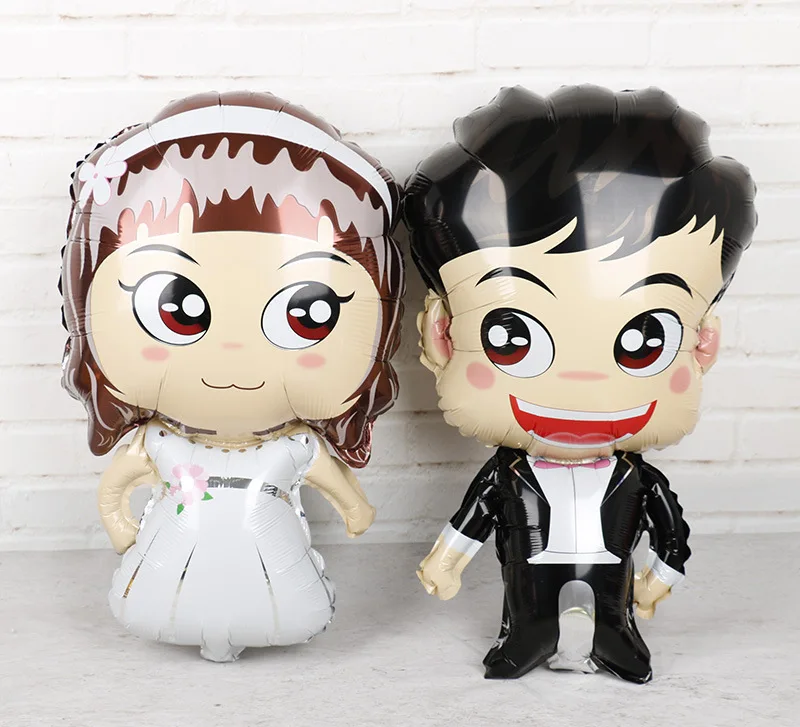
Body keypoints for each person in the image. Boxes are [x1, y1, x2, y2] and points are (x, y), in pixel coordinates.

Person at [404, 85, 756, 683]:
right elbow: (475, 516)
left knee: (615, 631)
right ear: (443, 336)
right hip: (530, 588)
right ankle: (524, 642)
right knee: (529, 624)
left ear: (703, 346)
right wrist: (446, 561)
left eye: (644, 340)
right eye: (512, 337)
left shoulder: (634, 478)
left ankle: (618, 644)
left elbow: (671, 534)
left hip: (612, 588)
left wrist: (658, 577)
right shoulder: (509, 475)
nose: (582, 382)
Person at [61, 91, 404, 662]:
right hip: (169, 568)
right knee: (164, 596)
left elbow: (339, 487)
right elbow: (114, 491)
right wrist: (123, 532)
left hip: (270, 576)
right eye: (177, 311)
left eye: (307, 313)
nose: (234, 353)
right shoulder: (161, 444)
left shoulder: (292, 447)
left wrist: (356, 509)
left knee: (287, 602)